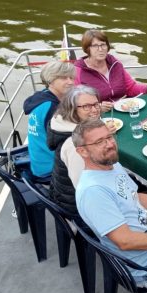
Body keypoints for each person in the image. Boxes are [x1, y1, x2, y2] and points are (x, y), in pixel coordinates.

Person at [73, 118, 147, 279]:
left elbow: (133, 198)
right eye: (99, 142)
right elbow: (125, 241)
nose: (109, 144)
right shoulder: (93, 192)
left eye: (109, 137)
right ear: (82, 151)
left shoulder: (111, 165)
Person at [47, 85, 102, 213]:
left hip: (65, 193)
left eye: (96, 104)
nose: (94, 110)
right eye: (86, 106)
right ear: (72, 109)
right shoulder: (74, 145)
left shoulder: (69, 125)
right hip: (76, 205)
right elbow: (83, 188)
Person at [74, 29, 147, 107]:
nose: (100, 49)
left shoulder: (115, 63)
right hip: (96, 115)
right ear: (87, 49)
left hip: (123, 108)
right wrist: (98, 106)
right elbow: (76, 101)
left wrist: (146, 88)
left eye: (103, 45)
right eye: (95, 46)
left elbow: (130, 88)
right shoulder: (79, 71)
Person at [23, 60, 75, 178]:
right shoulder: (53, 108)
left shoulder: (41, 97)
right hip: (51, 170)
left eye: (71, 78)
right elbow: (68, 141)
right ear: (50, 80)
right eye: (64, 78)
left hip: (38, 162)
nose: (70, 82)